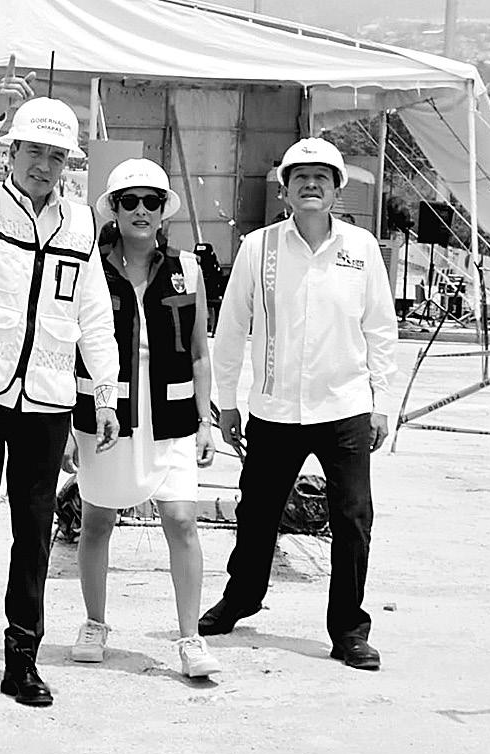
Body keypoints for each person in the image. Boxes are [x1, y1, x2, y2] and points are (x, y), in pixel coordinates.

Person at [0, 57, 120, 708]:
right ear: (11, 153)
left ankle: (22, 657)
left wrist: (105, 392)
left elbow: (93, 312)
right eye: (33, 151)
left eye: (55, 155)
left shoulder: (80, 223)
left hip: (46, 398)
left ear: (68, 163)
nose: (44, 165)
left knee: (35, 528)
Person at [198, 138, 398, 672]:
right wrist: (227, 402)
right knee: (256, 513)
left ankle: (348, 629)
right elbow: (231, 328)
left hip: (345, 408)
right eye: (300, 177)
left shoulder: (361, 249)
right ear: (284, 189)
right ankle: (242, 598)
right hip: (276, 409)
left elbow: (381, 329)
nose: (311, 185)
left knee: (353, 518)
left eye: (321, 177)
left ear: (336, 189)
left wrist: (382, 404)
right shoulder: (257, 248)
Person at [65, 159, 221, 678]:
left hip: (171, 416)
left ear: (162, 211)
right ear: (113, 208)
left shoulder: (187, 269)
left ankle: (190, 637)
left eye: (151, 201)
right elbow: (67, 348)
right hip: (105, 415)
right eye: (128, 201)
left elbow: (199, 352)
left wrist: (206, 420)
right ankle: (94, 623)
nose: (140, 210)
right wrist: (66, 427)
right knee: (97, 520)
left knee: (181, 519)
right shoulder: (88, 267)